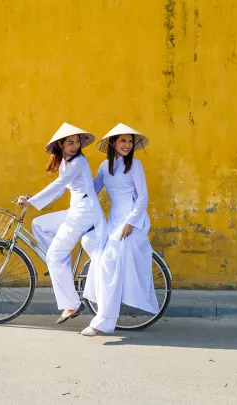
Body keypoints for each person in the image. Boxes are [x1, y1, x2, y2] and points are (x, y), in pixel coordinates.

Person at [18, 123, 107, 325]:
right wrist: (36, 200)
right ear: (61, 145)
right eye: (70, 143)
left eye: (76, 142)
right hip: (76, 210)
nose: (75, 146)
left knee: (55, 256)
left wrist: (31, 202)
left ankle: (72, 304)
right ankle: (58, 264)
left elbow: (57, 185)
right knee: (40, 224)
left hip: (84, 213)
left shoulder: (78, 162)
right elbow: (60, 189)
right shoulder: (66, 163)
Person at [81, 123, 159, 336]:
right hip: (113, 221)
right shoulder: (104, 167)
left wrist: (131, 222)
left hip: (133, 220)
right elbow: (92, 190)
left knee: (108, 261)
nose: (127, 144)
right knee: (89, 242)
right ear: (113, 143)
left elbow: (143, 196)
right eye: (122, 140)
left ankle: (103, 322)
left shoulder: (135, 165)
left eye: (130, 141)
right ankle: (106, 293)